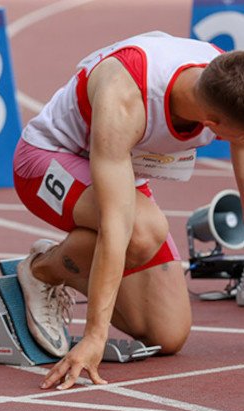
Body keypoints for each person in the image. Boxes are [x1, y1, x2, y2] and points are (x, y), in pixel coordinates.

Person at [13, 32, 244, 391]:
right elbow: (116, 223)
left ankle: (74, 263)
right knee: (141, 230)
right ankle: (43, 270)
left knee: (167, 335)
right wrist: (94, 336)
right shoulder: (125, 99)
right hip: (46, 161)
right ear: (213, 124)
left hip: (119, 171)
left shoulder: (227, 76)